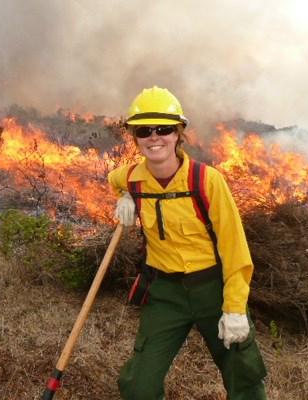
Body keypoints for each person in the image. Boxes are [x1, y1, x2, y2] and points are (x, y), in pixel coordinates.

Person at [108, 86, 267, 400]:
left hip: (212, 288)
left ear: (178, 133)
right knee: (138, 388)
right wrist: (124, 195)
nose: (154, 137)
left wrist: (234, 309)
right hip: (165, 293)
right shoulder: (130, 179)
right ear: (134, 137)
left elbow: (236, 250)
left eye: (164, 129)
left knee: (244, 379)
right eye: (144, 130)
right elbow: (113, 179)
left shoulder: (206, 181)